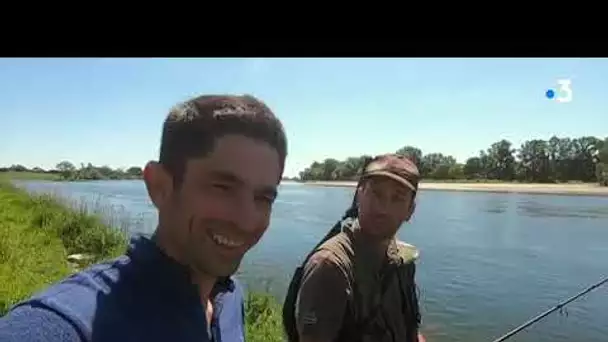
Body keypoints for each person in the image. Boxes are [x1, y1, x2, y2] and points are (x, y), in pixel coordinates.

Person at [0, 94, 288, 342]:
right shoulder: (74, 322)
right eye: (223, 187)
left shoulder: (230, 296)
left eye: (264, 198)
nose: (246, 221)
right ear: (159, 187)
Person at [283, 154, 424, 342]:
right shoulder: (331, 267)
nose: (383, 208)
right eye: (376, 193)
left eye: (397, 198)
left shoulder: (402, 259)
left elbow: (411, 331)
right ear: (359, 195)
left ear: (410, 211)